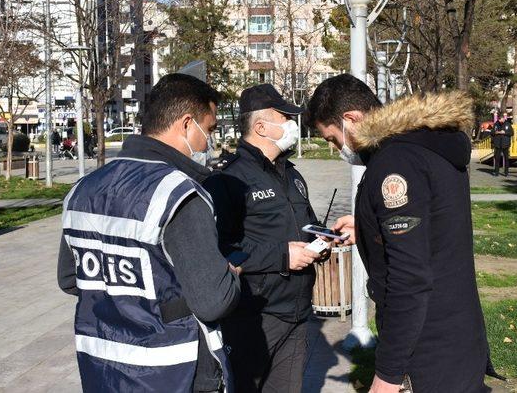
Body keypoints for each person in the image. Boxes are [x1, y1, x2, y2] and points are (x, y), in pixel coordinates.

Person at [306, 74, 500, 393]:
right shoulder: (425, 145)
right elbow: (432, 225)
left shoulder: (395, 163)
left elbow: (408, 279)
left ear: (351, 119)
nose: (334, 148)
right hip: (456, 335)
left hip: (429, 349)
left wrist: (388, 375)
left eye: (332, 138)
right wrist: (369, 229)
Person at [57, 74, 241, 393]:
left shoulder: (82, 190)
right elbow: (213, 302)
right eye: (209, 130)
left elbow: (70, 278)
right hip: (175, 370)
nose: (209, 141)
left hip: (103, 368)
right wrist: (230, 275)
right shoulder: (179, 195)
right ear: (186, 124)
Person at [204, 84, 326, 393]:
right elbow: (221, 251)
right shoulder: (227, 179)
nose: (291, 124)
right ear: (260, 126)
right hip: (255, 317)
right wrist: (283, 256)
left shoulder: (292, 174)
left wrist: (322, 241)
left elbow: (306, 224)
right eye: (284, 117)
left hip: (297, 312)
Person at [491, 112, 514, 177]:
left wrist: (505, 132)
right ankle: (496, 172)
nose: (500, 121)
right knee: (497, 159)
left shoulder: (508, 124)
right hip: (497, 144)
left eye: (501, 119)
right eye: (499, 120)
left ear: (503, 119)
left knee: (506, 159)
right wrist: (496, 132)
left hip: (505, 144)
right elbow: (492, 133)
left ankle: (506, 173)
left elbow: (512, 133)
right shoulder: (496, 124)